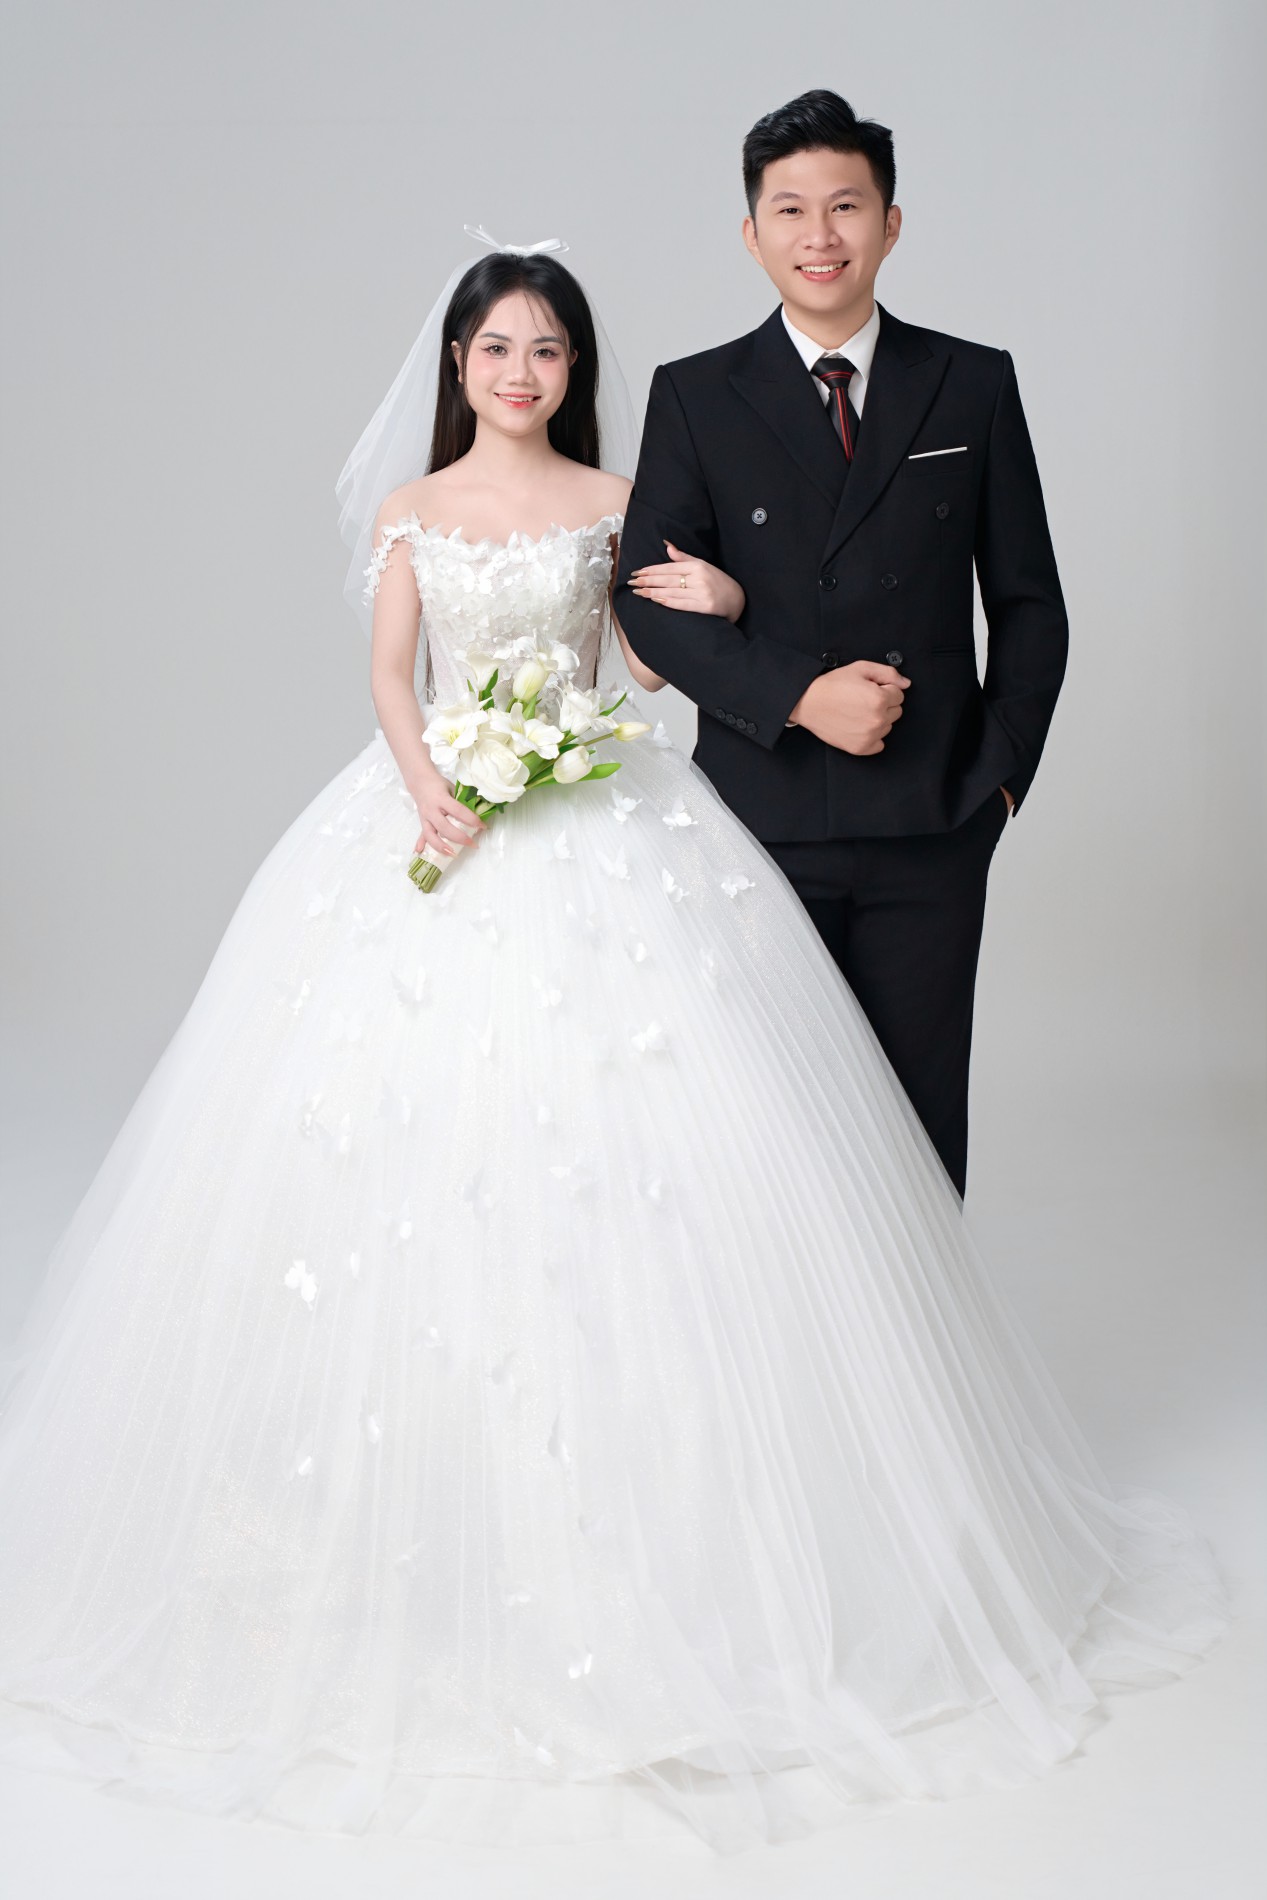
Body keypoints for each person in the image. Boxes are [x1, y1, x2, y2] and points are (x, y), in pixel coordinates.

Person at [0, 240, 1223, 1854]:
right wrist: (433, 785)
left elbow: (648, 658)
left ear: (574, 369)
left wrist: (720, 600)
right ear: (457, 364)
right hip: (443, 808)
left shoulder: (616, 494)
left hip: (598, 804)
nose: (520, 373)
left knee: (673, 1139)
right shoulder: (410, 509)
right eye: (495, 348)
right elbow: (387, 675)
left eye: (547, 350)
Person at [617, 89, 1068, 1197]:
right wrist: (798, 695)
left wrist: (998, 780)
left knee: (918, 1124)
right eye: (790, 210)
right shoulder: (696, 394)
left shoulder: (970, 381)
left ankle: (919, 1319)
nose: (819, 236)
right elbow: (648, 608)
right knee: (771, 1131)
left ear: (890, 223)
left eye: (846, 206)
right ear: (751, 234)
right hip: (758, 818)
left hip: (932, 817)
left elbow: (1029, 603)